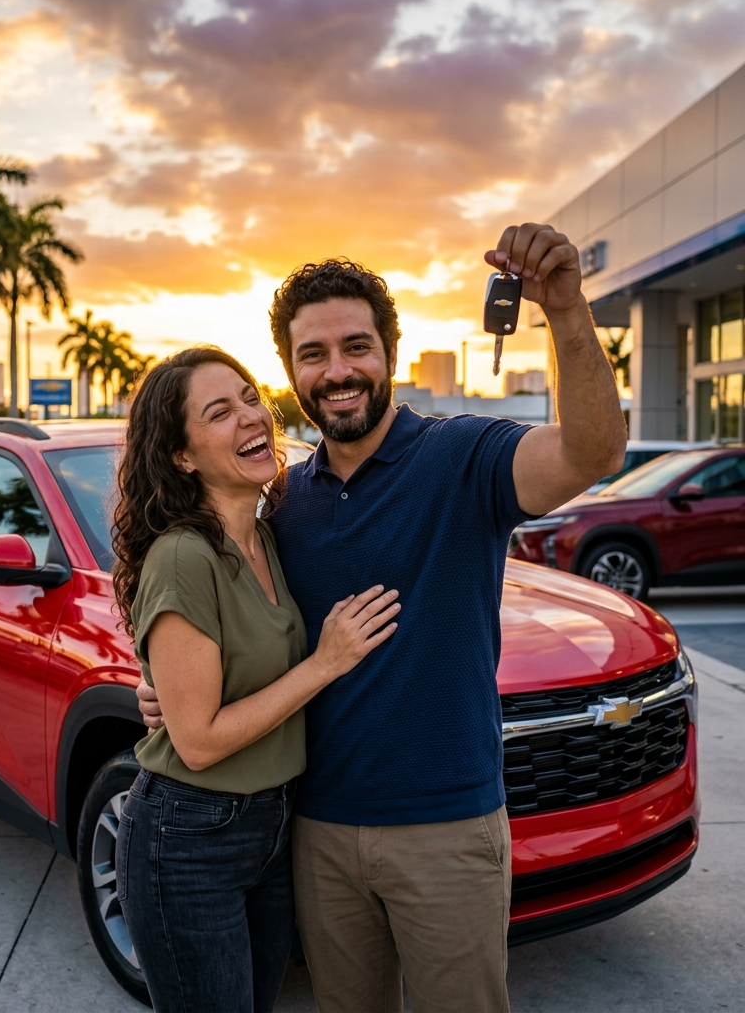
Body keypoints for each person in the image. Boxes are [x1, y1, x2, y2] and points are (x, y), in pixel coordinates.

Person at [137, 224, 627, 1012]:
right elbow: (234, 627)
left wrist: (566, 312)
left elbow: (591, 454)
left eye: (356, 347)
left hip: (447, 829)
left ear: (390, 353)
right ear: (291, 372)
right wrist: (164, 688)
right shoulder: (284, 503)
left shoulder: (463, 458)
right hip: (314, 832)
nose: (337, 373)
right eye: (313, 355)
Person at [111, 347, 400, 1013]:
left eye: (248, 397)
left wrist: (162, 690)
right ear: (182, 456)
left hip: (272, 824)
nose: (250, 416)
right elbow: (200, 743)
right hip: (189, 834)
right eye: (220, 411)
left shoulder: (265, 536)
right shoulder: (184, 554)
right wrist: (325, 663)